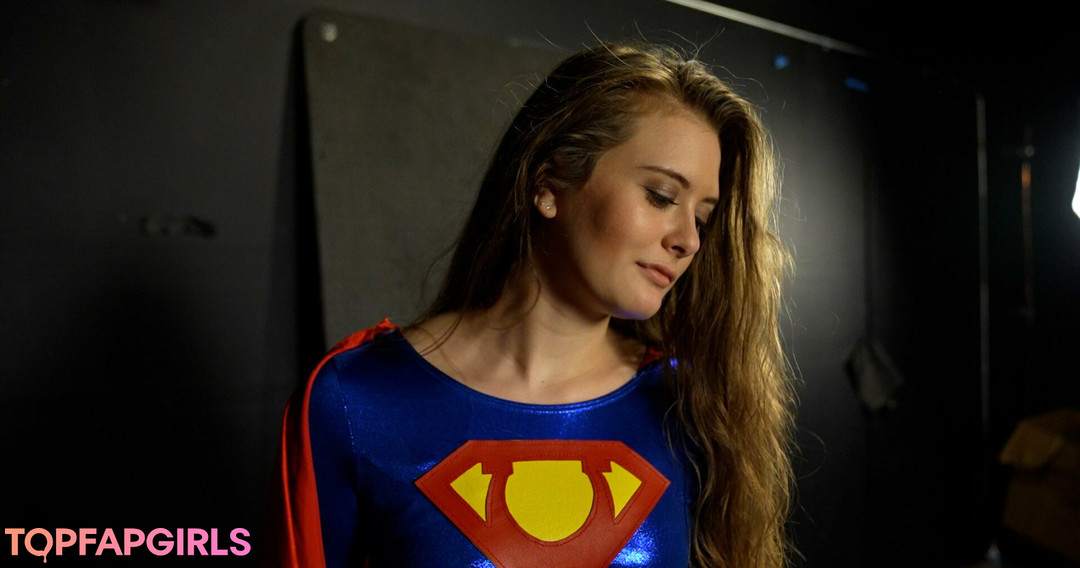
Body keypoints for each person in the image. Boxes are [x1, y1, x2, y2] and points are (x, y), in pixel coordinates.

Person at [268, 41, 794, 568]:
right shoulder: (356, 399)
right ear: (548, 184)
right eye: (660, 196)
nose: (688, 240)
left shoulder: (693, 407)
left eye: (701, 218)